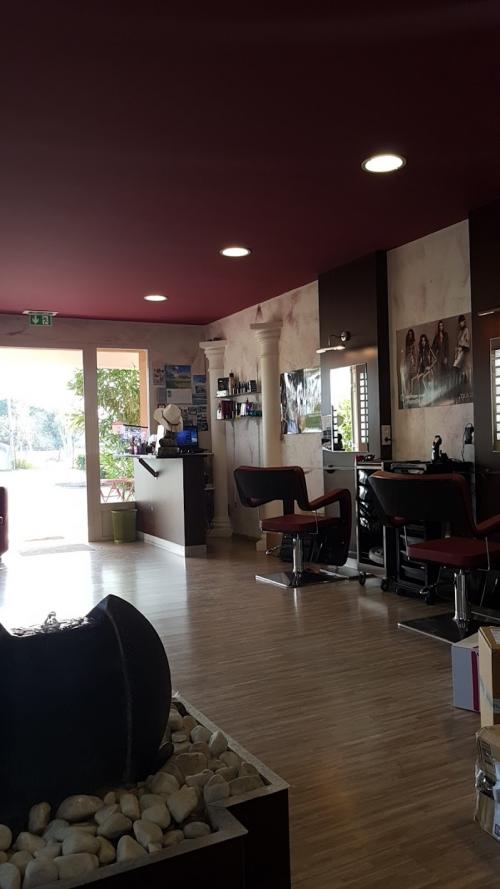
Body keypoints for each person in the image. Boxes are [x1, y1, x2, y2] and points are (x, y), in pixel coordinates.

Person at [453, 314, 471, 385]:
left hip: (464, 350)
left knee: (461, 366)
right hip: (459, 351)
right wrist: (457, 349)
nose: (461, 323)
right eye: (460, 322)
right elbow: (458, 342)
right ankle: (462, 379)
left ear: (464, 321)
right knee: (456, 366)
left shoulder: (466, 330)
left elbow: (467, 342)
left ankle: (464, 378)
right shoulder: (460, 331)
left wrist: (462, 347)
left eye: (462, 321)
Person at [431, 320, 449, 384]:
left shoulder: (446, 335)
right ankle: (440, 386)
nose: (441, 327)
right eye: (439, 326)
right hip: (439, 357)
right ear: (438, 327)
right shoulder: (436, 337)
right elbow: (433, 347)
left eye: (442, 326)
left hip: (444, 356)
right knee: (439, 373)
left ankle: (446, 386)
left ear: (443, 326)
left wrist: (446, 357)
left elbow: (447, 346)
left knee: (445, 373)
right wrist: (435, 352)